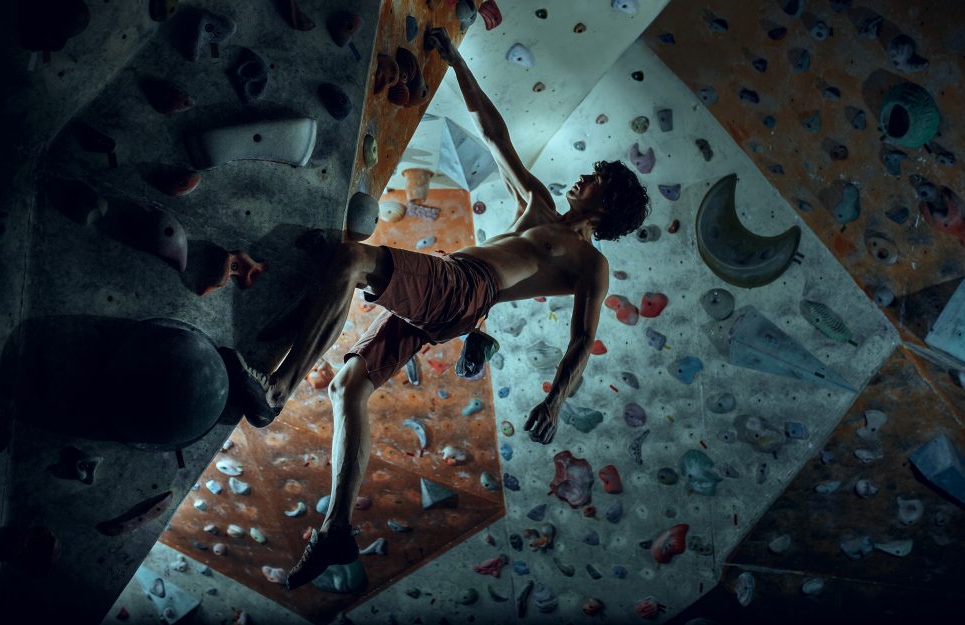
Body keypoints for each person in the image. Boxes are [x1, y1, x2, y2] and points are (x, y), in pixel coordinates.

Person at [223, 27, 650, 591]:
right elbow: (494, 134)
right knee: (348, 387)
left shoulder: (590, 263)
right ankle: (335, 529)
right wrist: (456, 62)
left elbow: (582, 339)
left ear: (608, 202)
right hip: (455, 300)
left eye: (597, 179)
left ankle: (276, 390)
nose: (585, 177)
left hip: (465, 289)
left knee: (353, 260)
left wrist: (555, 400)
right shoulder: (539, 204)